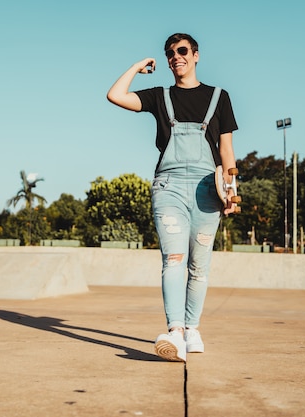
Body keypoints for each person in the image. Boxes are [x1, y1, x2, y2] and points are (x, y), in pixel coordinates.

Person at [107, 33, 238, 362]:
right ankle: (176, 332)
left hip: (210, 187)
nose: (175, 57)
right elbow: (115, 95)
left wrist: (232, 191)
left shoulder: (219, 97)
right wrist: (138, 66)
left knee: (200, 266)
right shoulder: (158, 96)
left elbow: (226, 150)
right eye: (169, 53)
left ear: (195, 55)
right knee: (174, 259)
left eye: (182, 51)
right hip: (169, 187)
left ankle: (193, 329)